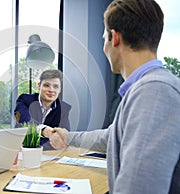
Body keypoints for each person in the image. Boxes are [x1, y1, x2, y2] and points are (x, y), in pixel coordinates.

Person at [49, 0, 180, 193]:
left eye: (104, 38)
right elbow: (110, 137)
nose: (104, 47)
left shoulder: (154, 91)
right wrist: (69, 137)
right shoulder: (147, 89)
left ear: (114, 38)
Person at [14, 69, 71, 150]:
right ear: (39, 86)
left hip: (49, 155)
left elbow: (63, 139)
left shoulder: (64, 108)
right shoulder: (24, 100)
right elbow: (21, 118)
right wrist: (44, 130)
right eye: (46, 85)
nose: (51, 90)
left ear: (60, 89)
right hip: (22, 152)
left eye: (55, 86)